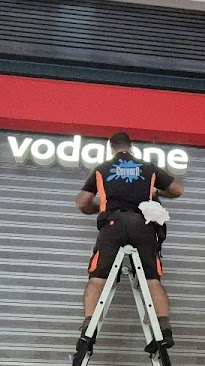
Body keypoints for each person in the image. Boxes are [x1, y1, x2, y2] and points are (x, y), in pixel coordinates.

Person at [76, 132, 184, 347]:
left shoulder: (102, 169)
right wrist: (157, 195)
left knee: (97, 279)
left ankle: (89, 325)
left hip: (113, 225)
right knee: (152, 280)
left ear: (111, 148)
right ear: (131, 147)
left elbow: (82, 203)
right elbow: (178, 189)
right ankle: (164, 329)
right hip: (143, 225)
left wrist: (99, 207)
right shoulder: (148, 167)